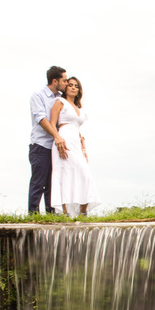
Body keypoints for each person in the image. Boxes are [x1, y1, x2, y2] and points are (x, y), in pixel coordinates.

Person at [48, 75, 101, 216]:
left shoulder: (79, 108)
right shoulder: (60, 102)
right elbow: (52, 123)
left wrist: (83, 147)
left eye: (76, 86)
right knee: (65, 174)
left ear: (79, 90)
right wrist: (57, 138)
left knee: (84, 172)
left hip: (76, 142)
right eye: (70, 85)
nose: (73, 88)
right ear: (66, 88)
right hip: (63, 140)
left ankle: (83, 212)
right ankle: (65, 212)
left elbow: (77, 129)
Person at [28, 66, 68, 214]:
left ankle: (50, 215)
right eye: (64, 80)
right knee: (38, 182)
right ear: (55, 81)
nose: (66, 83)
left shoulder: (60, 98)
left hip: (55, 148)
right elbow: (41, 119)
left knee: (52, 183)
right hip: (40, 145)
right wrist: (56, 136)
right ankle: (33, 214)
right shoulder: (38, 96)